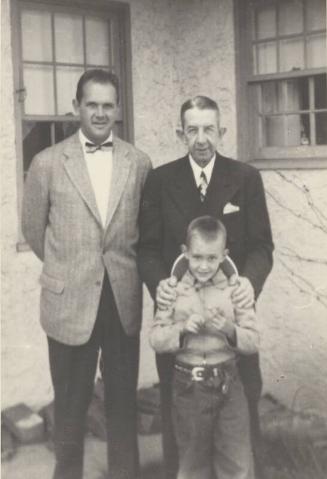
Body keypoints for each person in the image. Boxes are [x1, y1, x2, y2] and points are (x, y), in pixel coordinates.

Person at [22, 69, 152, 479]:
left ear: (118, 109)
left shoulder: (139, 162)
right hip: (68, 302)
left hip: (121, 298)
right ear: (76, 107)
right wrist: (70, 266)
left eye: (107, 105)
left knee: (121, 405)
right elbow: (34, 230)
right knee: (71, 407)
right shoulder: (46, 163)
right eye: (91, 104)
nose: (99, 113)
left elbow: (143, 230)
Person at [138, 95, 273, 479]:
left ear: (222, 132)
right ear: (181, 133)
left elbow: (263, 246)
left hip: (230, 318)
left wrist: (248, 282)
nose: (201, 139)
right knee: (181, 425)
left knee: (241, 418)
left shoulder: (246, 178)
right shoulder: (160, 180)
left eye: (209, 129)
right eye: (192, 130)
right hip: (180, 320)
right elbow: (147, 249)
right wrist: (160, 286)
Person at [150, 216, 258, 479]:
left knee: (237, 464)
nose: (203, 265)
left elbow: (253, 340)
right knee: (192, 466)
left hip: (228, 383)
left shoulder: (237, 289)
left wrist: (229, 330)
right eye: (197, 257)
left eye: (212, 258)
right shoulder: (171, 290)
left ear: (224, 256)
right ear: (185, 253)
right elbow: (156, 338)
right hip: (189, 386)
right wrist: (182, 329)